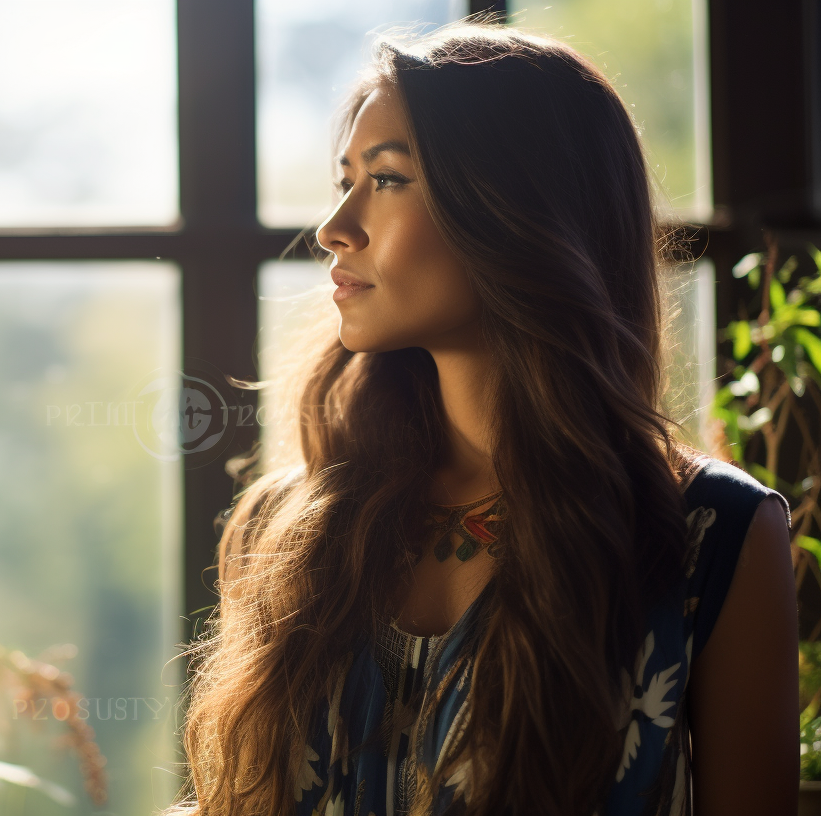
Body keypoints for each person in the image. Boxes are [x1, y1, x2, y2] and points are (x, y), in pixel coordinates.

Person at [170, 23, 797, 816]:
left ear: (515, 212)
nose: (335, 228)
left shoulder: (714, 537)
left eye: (388, 180)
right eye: (345, 181)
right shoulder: (284, 528)